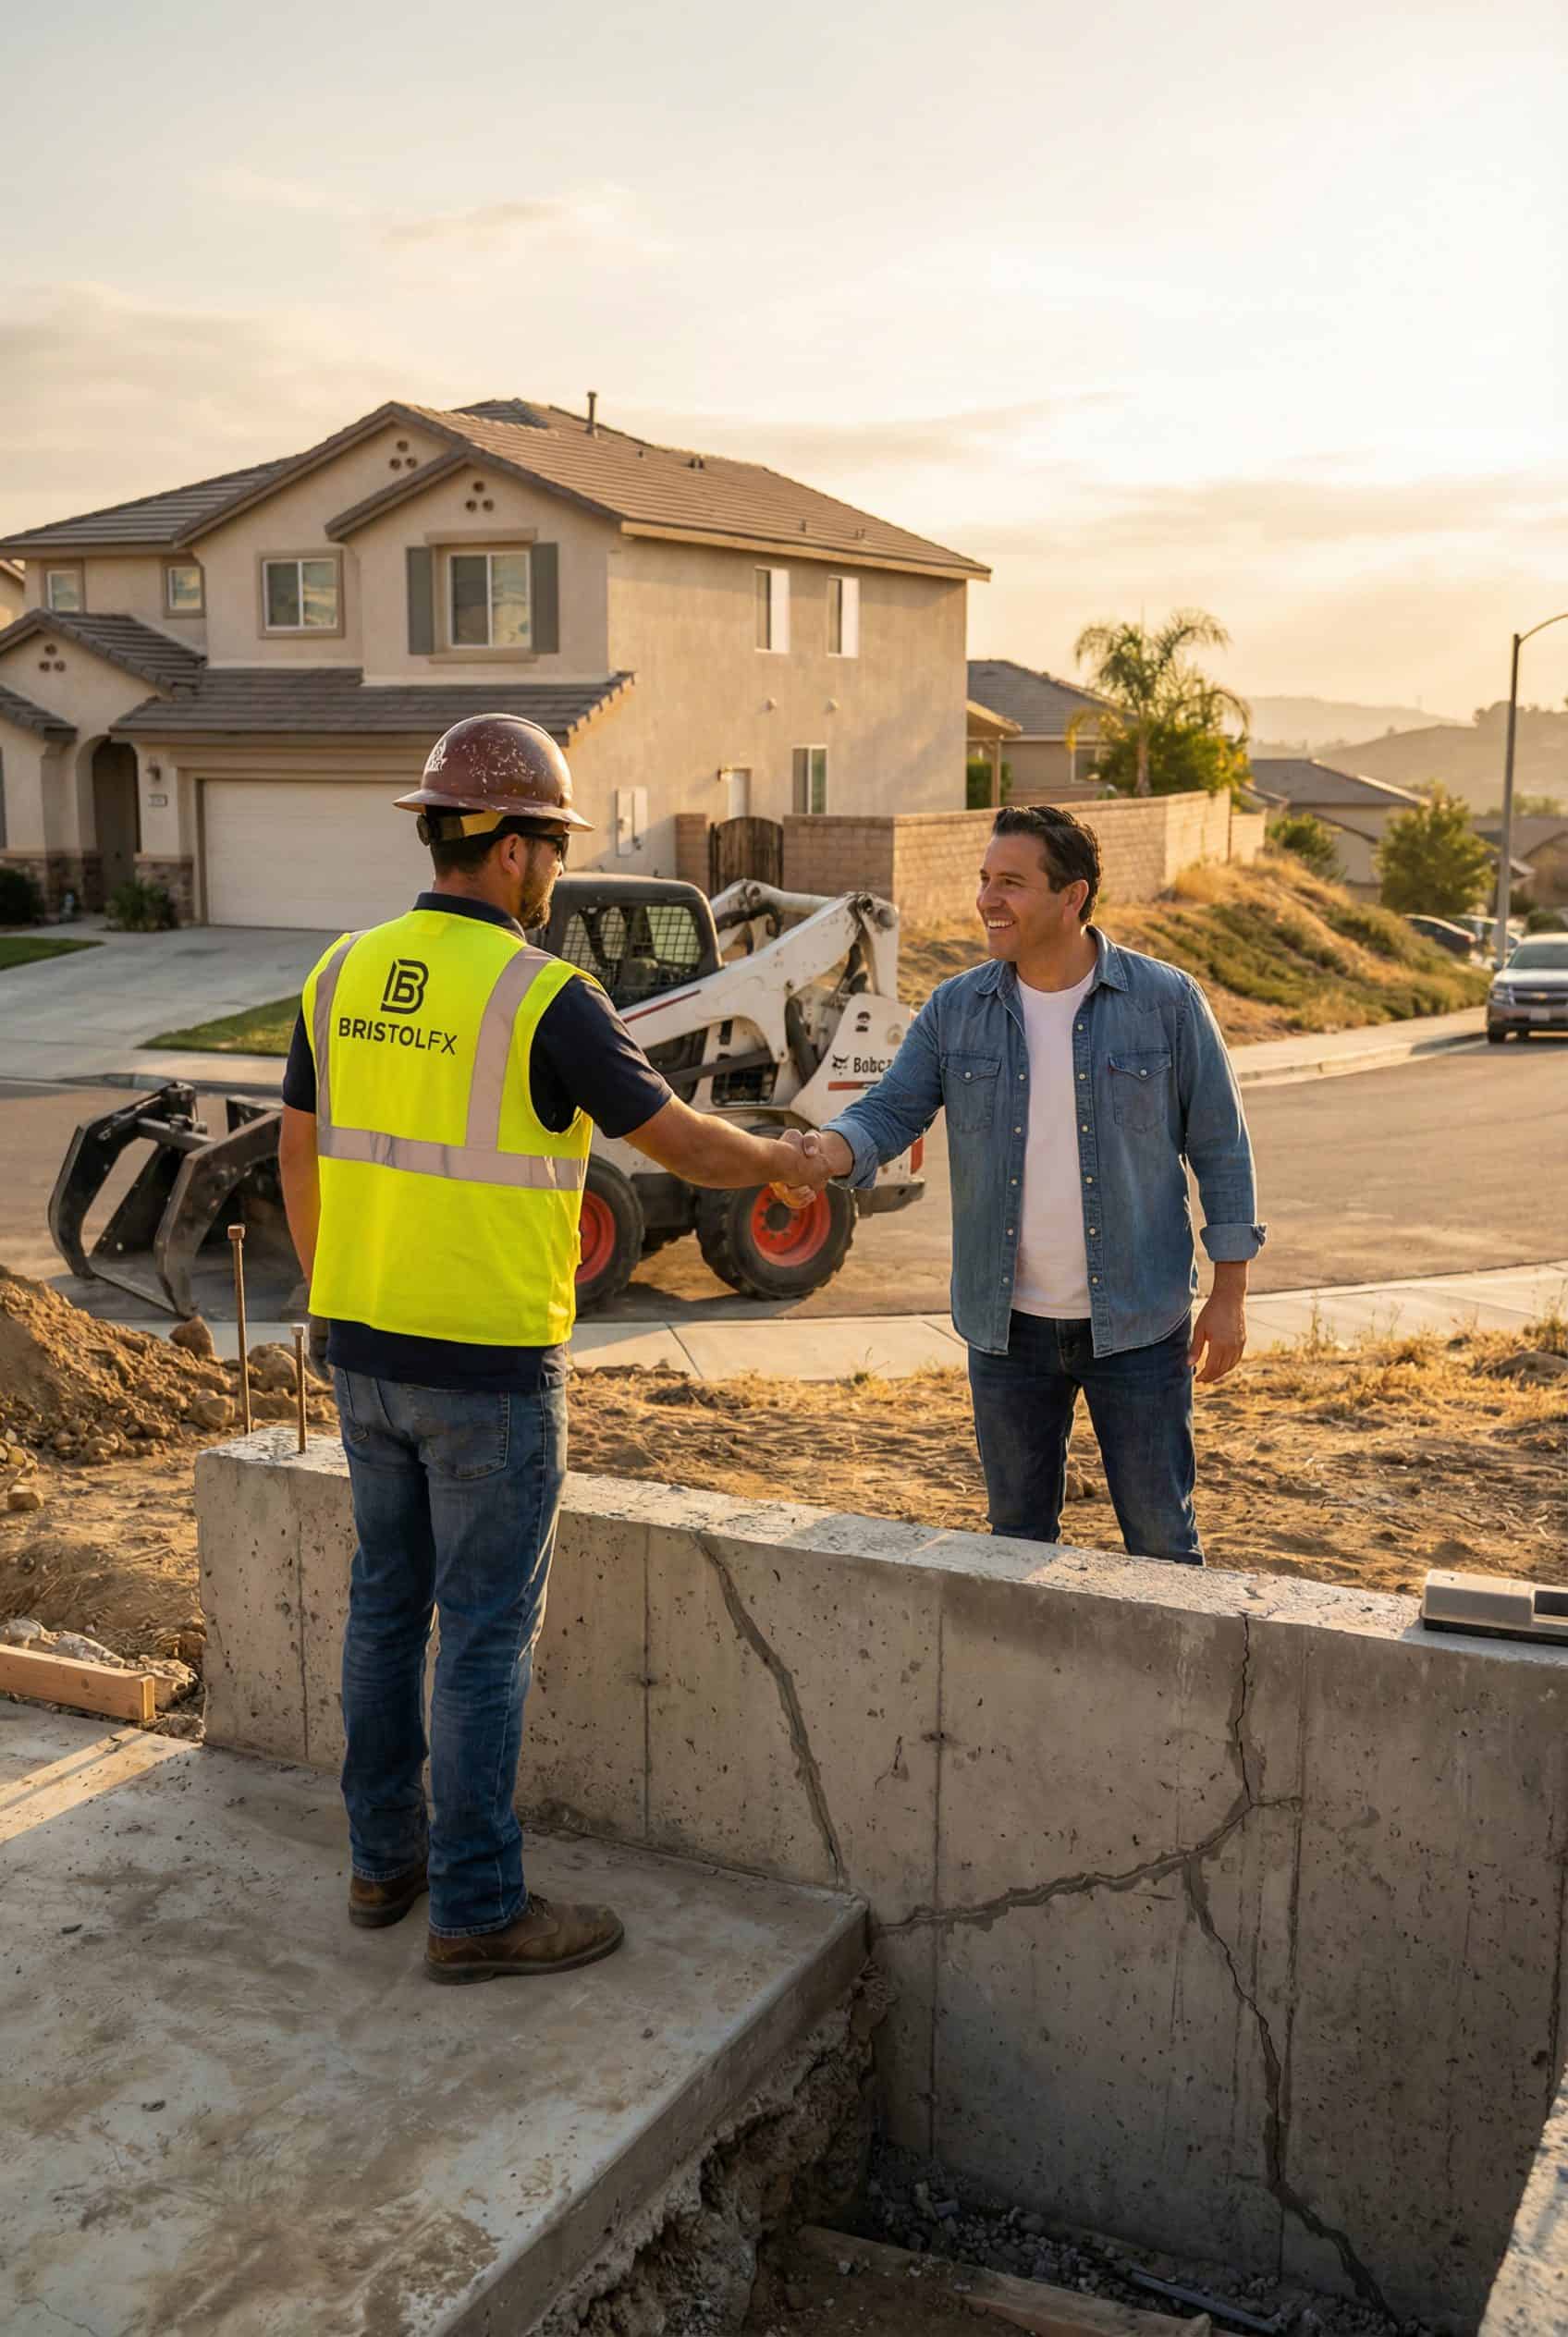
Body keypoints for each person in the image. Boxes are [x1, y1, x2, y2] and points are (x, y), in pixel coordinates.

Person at [277, 714, 830, 1983]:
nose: (557, 871)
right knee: (481, 1637)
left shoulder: (341, 971)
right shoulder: (542, 995)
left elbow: (299, 1154)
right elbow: (679, 1141)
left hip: (361, 1351)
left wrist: (333, 1295)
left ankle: (382, 1864)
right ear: (515, 848)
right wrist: (786, 1158)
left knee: (384, 1611)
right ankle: (477, 1909)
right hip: (486, 1371)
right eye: (555, 847)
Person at [776, 804, 1264, 1563]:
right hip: (1007, 1332)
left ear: (1073, 896)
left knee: (1163, 1545)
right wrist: (822, 1154)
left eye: (1010, 882)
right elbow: (890, 1110)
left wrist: (1229, 1295)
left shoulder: (1166, 1003)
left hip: (1139, 1323)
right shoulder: (956, 1009)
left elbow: (1222, 1149)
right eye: (984, 880)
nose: (986, 900)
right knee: (1015, 1548)